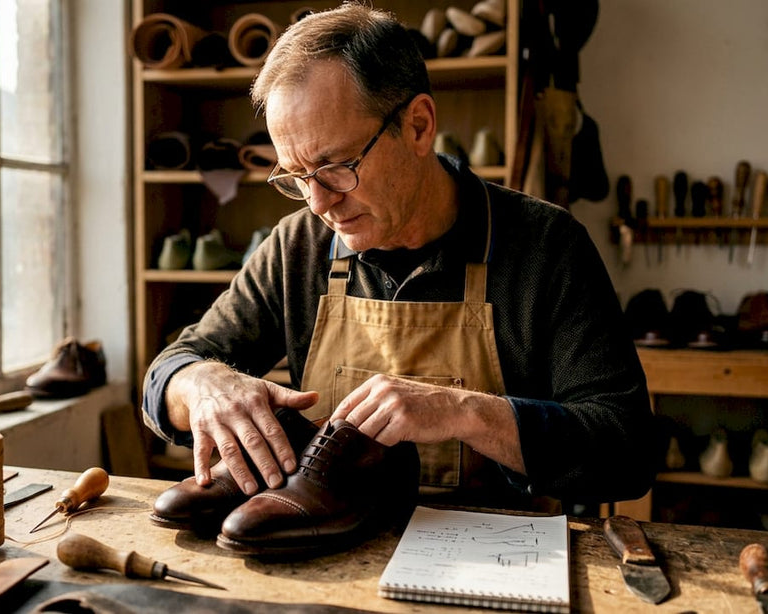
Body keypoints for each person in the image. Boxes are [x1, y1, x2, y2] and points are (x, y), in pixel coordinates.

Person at [142, 3, 657, 511]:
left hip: (503, 560)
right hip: (332, 549)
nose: (318, 203)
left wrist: (467, 412)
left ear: (418, 125)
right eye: (296, 176)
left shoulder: (547, 245)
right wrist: (204, 384)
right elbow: (165, 375)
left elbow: (628, 450)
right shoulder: (296, 246)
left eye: (336, 166)